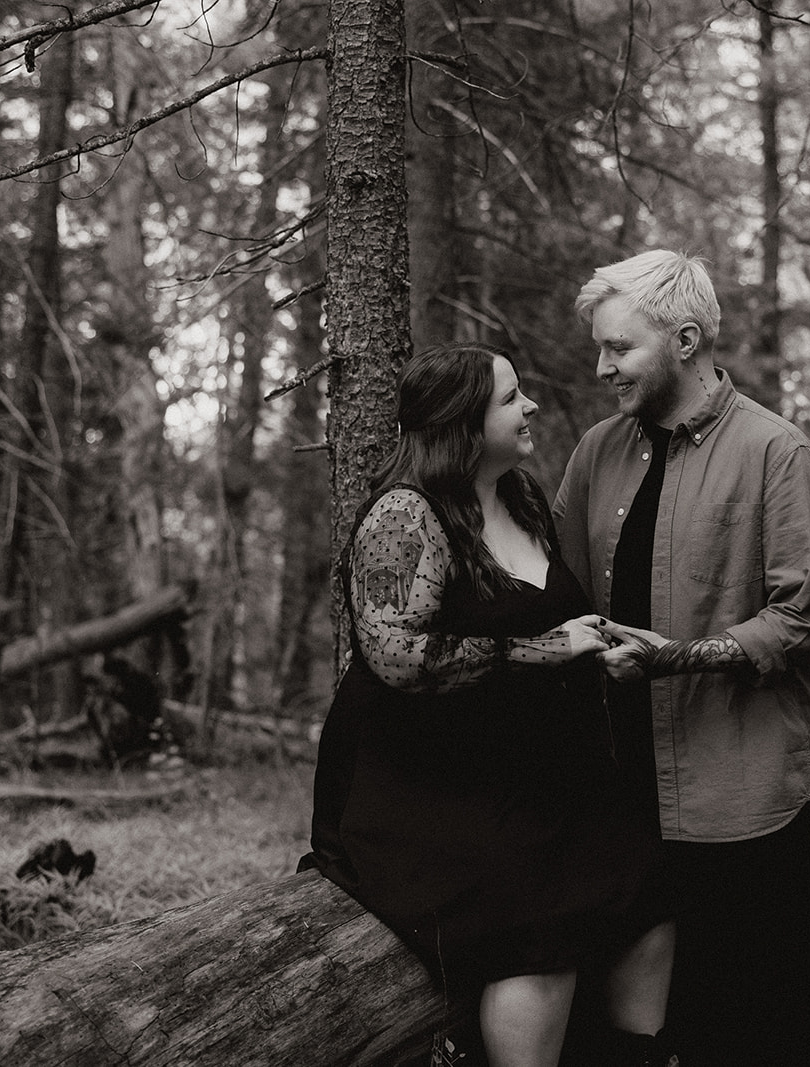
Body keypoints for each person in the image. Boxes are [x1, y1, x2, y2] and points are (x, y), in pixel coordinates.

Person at [301, 342, 677, 1067]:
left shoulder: (521, 495)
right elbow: (400, 658)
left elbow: (557, 619)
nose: (529, 405)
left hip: (532, 771)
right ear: (463, 423)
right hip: (425, 785)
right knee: (540, 919)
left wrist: (600, 645)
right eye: (510, 398)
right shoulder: (405, 516)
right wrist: (550, 649)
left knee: (647, 893)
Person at [553, 251, 810, 1066]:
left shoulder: (777, 453)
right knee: (629, 1035)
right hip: (622, 798)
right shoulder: (598, 452)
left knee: (754, 1028)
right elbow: (558, 593)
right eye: (601, 349)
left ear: (684, 338)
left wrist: (676, 657)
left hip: (740, 801)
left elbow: (804, 620)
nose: (602, 367)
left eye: (619, 348)